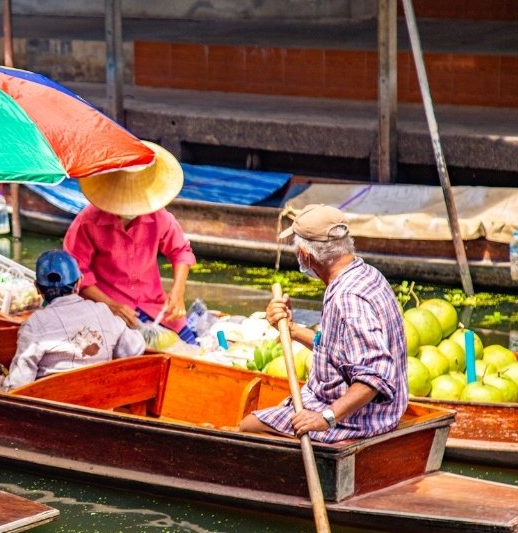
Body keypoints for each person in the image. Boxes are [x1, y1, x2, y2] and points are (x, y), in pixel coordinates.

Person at [236, 204, 408, 442]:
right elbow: (335, 350)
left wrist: (326, 417)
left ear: (306, 255)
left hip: (363, 418)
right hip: (361, 408)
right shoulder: (366, 273)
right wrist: (290, 328)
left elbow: (375, 377)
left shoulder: (347, 298)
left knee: (248, 426)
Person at [64, 141, 197, 342]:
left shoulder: (158, 215)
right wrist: (111, 305)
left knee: (190, 347)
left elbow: (181, 251)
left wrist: (178, 292)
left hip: (154, 306)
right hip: (106, 309)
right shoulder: (87, 222)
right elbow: (77, 273)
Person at [2, 250, 145, 391]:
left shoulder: (35, 324)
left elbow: (18, 384)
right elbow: (134, 349)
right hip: (101, 402)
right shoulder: (103, 311)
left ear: (38, 288)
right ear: (78, 283)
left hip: (52, 408)